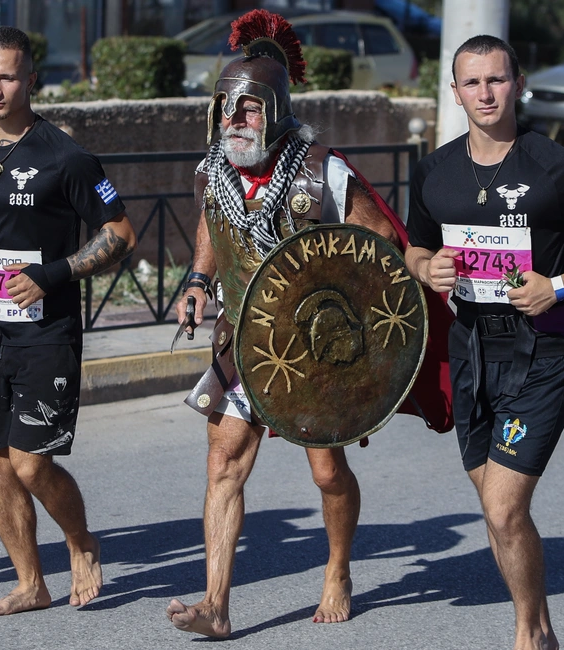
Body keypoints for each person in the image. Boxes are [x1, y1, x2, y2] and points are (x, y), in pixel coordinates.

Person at [165, 10, 417, 639]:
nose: (234, 120)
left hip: (315, 349)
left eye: (248, 109)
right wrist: (197, 280)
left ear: (275, 110)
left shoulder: (320, 171)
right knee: (223, 462)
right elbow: (211, 226)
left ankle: (337, 569)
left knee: (326, 472)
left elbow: (378, 244)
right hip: (245, 340)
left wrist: (356, 334)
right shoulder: (214, 171)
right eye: (226, 107)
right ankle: (217, 606)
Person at [405, 35, 564, 650]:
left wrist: (560, 286)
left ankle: (525, 635)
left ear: (517, 84)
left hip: (540, 351)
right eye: (472, 82)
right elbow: (415, 244)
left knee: (505, 508)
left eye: (496, 80)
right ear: (455, 91)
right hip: (470, 354)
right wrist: (425, 267)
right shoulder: (434, 170)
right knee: (494, 506)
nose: (485, 93)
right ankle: (539, 629)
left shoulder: (554, 165)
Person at [0, 27, 135, 617]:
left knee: (30, 461)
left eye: (6, 77)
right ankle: (31, 582)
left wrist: (52, 275)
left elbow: (120, 234)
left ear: (30, 79)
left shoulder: (65, 156)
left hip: (45, 332)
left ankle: (81, 542)